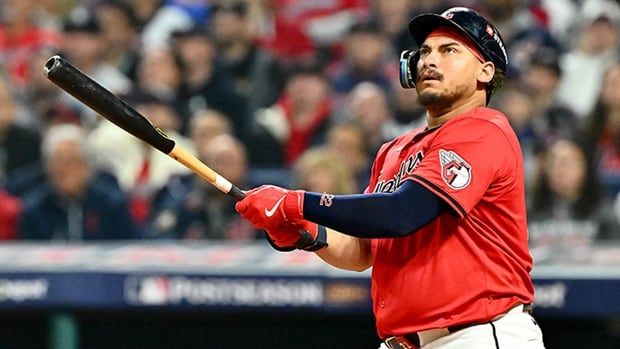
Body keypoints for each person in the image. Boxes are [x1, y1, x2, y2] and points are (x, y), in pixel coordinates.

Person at [234, 7, 545, 349]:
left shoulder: (484, 130)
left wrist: (298, 202)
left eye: (449, 50)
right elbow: (362, 249)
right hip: (404, 340)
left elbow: (403, 212)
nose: (430, 60)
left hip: (479, 333)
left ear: (485, 72)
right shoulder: (393, 151)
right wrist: (304, 231)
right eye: (425, 51)